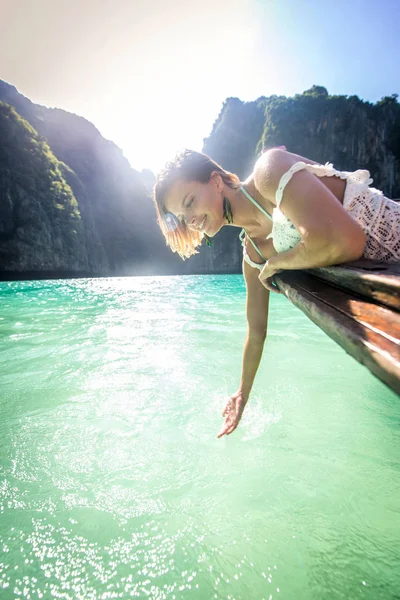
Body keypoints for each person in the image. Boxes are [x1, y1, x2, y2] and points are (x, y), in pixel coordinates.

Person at [153, 148, 400, 437]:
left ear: (216, 180)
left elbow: (347, 241)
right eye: (183, 216)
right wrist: (241, 394)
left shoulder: (269, 170)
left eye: (190, 202)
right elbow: (255, 332)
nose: (191, 220)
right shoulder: (253, 252)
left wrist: (277, 264)